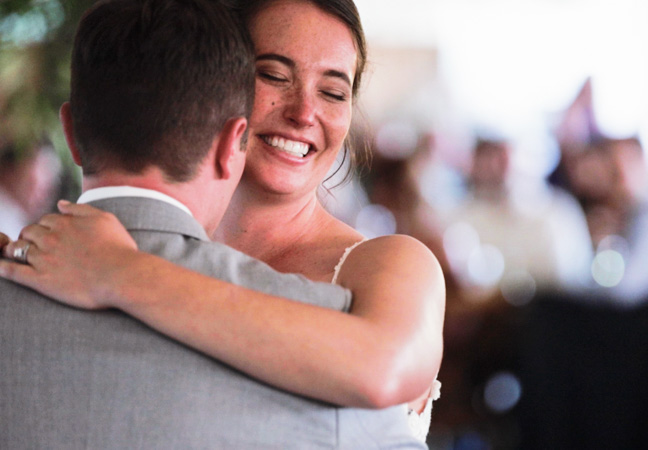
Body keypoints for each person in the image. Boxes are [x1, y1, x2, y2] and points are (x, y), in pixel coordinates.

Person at [1, 0, 445, 444]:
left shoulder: (390, 267)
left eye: (333, 92)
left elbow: (385, 370)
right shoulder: (65, 250)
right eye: (273, 74)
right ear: (214, 80)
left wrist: (118, 271)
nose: (304, 112)